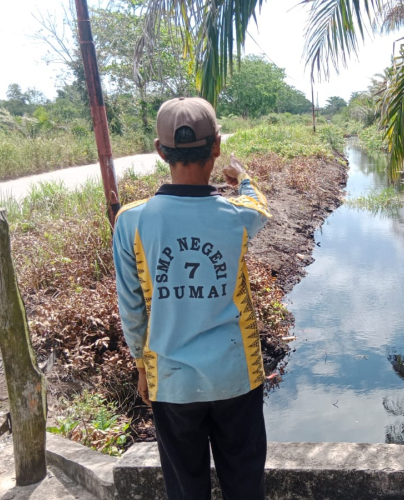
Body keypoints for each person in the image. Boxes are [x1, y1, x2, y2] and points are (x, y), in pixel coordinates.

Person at [113, 97, 272, 500]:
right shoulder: (238, 216)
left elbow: (132, 307)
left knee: (185, 487)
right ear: (216, 146)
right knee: (244, 484)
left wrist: (142, 366)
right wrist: (244, 177)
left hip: (172, 379)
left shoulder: (131, 220)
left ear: (159, 150)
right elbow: (259, 205)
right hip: (237, 374)